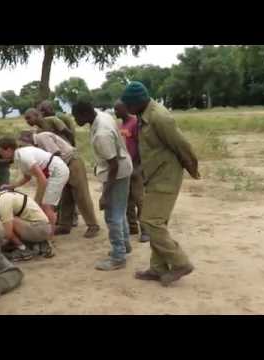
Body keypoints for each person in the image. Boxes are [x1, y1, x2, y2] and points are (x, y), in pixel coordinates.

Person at [121, 81, 200, 286]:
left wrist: (192, 167)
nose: (126, 110)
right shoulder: (143, 116)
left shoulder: (159, 117)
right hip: (153, 175)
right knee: (157, 222)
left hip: (166, 176)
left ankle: (180, 262)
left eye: (128, 105)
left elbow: (181, 144)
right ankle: (158, 269)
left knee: (150, 221)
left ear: (137, 103)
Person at [72, 100, 133, 271]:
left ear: (85, 114)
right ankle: (125, 246)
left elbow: (113, 165)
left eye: (76, 116)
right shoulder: (102, 116)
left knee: (112, 215)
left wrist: (105, 194)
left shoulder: (101, 133)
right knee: (120, 211)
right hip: (122, 168)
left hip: (118, 172)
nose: (75, 120)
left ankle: (118, 257)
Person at [18, 130, 100, 238]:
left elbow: (56, 154)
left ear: (27, 139)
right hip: (62, 166)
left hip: (72, 162)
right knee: (65, 197)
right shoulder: (35, 145)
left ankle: (93, 225)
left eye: (23, 144)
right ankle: (64, 225)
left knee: (81, 195)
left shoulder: (42, 137)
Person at [0, 136, 69, 234]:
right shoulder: (18, 157)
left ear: (8, 149)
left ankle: (49, 235)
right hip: (50, 173)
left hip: (57, 171)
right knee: (44, 205)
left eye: (0, 151)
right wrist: (11, 186)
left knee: (46, 205)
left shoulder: (23, 156)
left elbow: (42, 179)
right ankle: (47, 231)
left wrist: (37, 201)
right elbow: (27, 177)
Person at [0, 179, 54, 262]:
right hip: (42, 228)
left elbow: (8, 233)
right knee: (5, 223)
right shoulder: (5, 195)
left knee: (6, 223)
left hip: (40, 228)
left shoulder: (4, 201)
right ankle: (39, 244)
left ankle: (23, 250)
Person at [114, 100, 150, 243]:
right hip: (125, 166)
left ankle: (146, 230)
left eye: (117, 110)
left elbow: (142, 144)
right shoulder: (121, 125)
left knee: (139, 198)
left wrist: (140, 165)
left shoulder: (135, 123)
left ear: (126, 109)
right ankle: (132, 226)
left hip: (136, 165)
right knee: (127, 198)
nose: (115, 112)